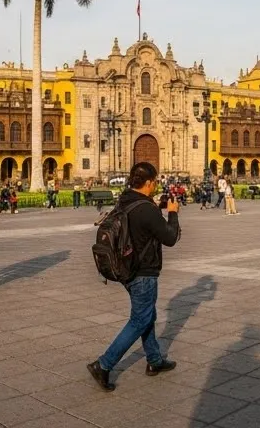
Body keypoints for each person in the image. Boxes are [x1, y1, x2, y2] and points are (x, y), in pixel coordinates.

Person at [88, 162, 181, 391]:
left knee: (146, 315)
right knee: (140, 320)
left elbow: (141, 223)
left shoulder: (125, 201)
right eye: (155, 182)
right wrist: (172, 213)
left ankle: (154, 360)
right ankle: (104, 364)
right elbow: (170, 238)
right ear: (149, 183)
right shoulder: (147, 209)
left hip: (127, 270)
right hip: (143, 273)